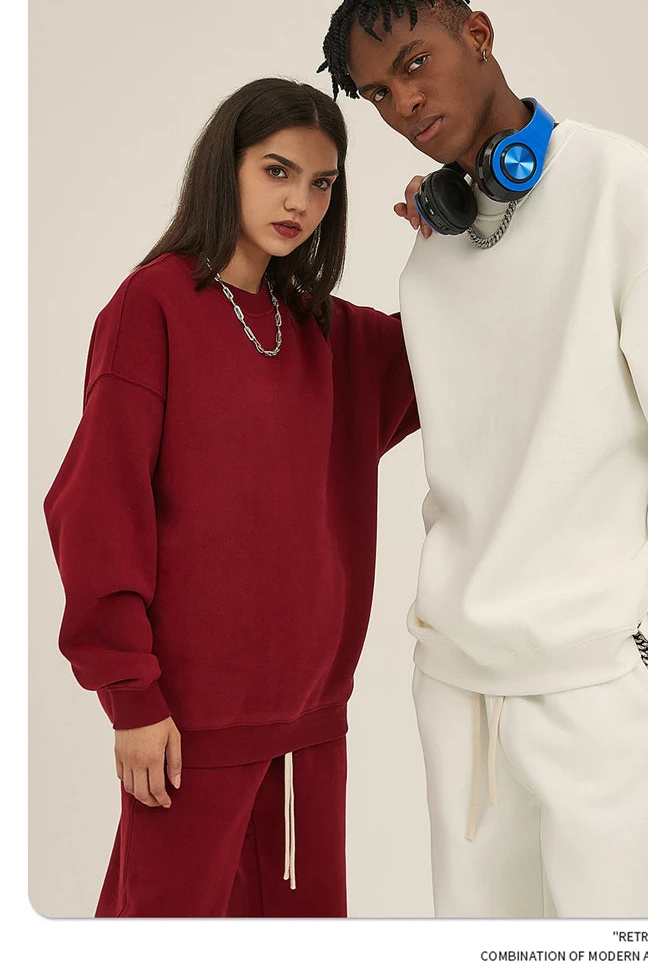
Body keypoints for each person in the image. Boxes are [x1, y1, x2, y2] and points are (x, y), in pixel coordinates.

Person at [318, 0, 648, 917]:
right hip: (455, 684)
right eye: (378, 92)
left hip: (595, 678)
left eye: (415, 64)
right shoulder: (434, 258)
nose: (402, 104)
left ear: (477, 35)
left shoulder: (618, 186)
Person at [43, 77, 419, 918]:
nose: (299, 202)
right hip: (186, 729)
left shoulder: (323, 328)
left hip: (310, 726)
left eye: (321, 183)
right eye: (277, 171)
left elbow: (449, 353)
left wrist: (446, 242)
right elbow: (95, 508)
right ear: (228, 167)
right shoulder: (153, 306)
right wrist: (131, 697)